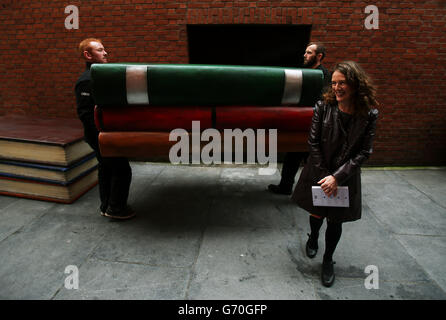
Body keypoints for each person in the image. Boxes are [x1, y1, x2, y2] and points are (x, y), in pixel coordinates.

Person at [291, 61, 379, 287]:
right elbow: (313, 142)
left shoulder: (369, 114)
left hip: (345, 176)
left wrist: (337, 177)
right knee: (317, 212)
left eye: (342, 83)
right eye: (334, 83)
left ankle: (328, 259)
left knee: (335, 220)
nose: (337, 88)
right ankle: (312, 237)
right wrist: (326, 175)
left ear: (355, 84)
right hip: (320, 170)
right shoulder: (323, 106)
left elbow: (364, 152)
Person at [75, 38, 134, 220]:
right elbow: (86, 115)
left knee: (106, 168)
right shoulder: (86, 81)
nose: (105, 52)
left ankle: (106, 206)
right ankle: (116, 209)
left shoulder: (98, 76)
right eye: (100, 50)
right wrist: (102, 139)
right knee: (122, 169)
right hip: (100, 136)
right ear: (88, 55)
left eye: (103, 49)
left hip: (104, 135)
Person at [268, 42, 331, 195]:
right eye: (305, 52)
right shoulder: (303, 72)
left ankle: (318, 192)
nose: (305, 55)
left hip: (316, 125)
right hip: (301, 123)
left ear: (319, 56)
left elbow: (325, 102)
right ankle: (285, 187)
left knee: (314, 162)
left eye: (309, 52)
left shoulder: (324, 76)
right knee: (292, 157)